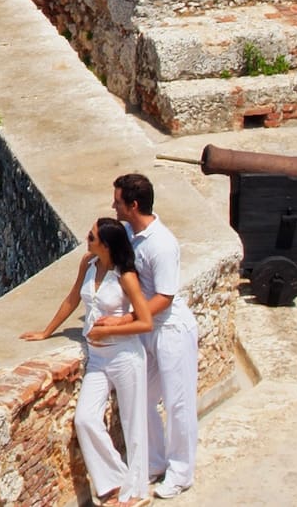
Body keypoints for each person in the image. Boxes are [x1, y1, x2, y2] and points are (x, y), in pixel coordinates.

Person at [22, 217, 154, 507]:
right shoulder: (89, 263)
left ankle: (137, 492)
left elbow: (145, 322)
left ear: (106, 244)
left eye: (92, 236)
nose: (87, 238)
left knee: (133, 424)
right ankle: (115, 482)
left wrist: (109, 328)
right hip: (97, 357)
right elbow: (72, 299)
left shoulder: (125, 276)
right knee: (85, 419)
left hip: (124, 355)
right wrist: (47, 331)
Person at [114, 172, 199, 500]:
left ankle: (181, 472)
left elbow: (165, 297)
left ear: (133, 205)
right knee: (143, 398)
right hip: (148, 329)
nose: (114, 205)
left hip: (170, 331)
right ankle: (153, 461)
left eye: (118, 201)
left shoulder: (162, 244)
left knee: (178, 404)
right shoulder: (129, 234)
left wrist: (127, 320)